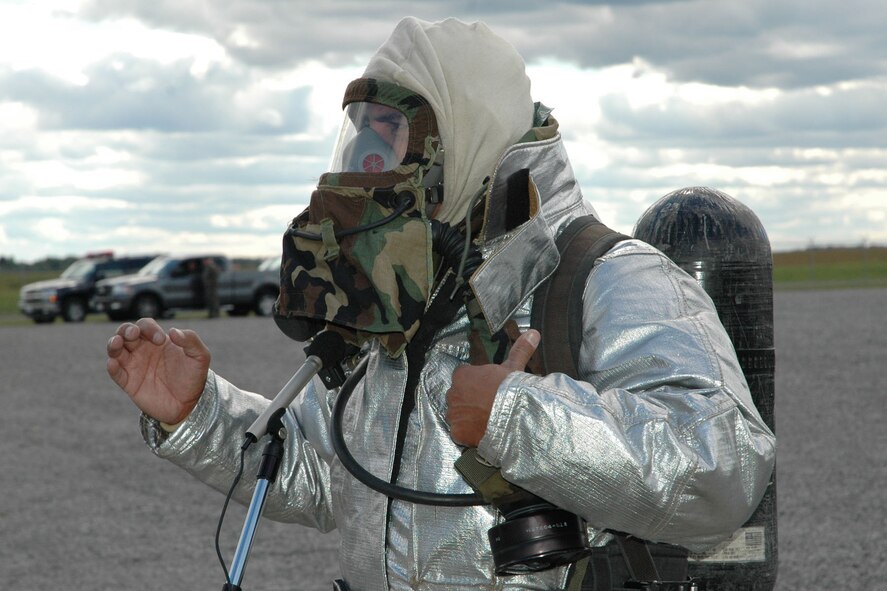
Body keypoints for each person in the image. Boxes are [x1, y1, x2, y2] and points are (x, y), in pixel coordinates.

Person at [106, 17, 775, 590]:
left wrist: (518, 418)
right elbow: (324, 475)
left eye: (390, 133)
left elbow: (722, 470)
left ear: (461, 138)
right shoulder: (400, 304)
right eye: (361, 135)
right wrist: (200, 414)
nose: (368, 164)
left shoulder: (606, 279)